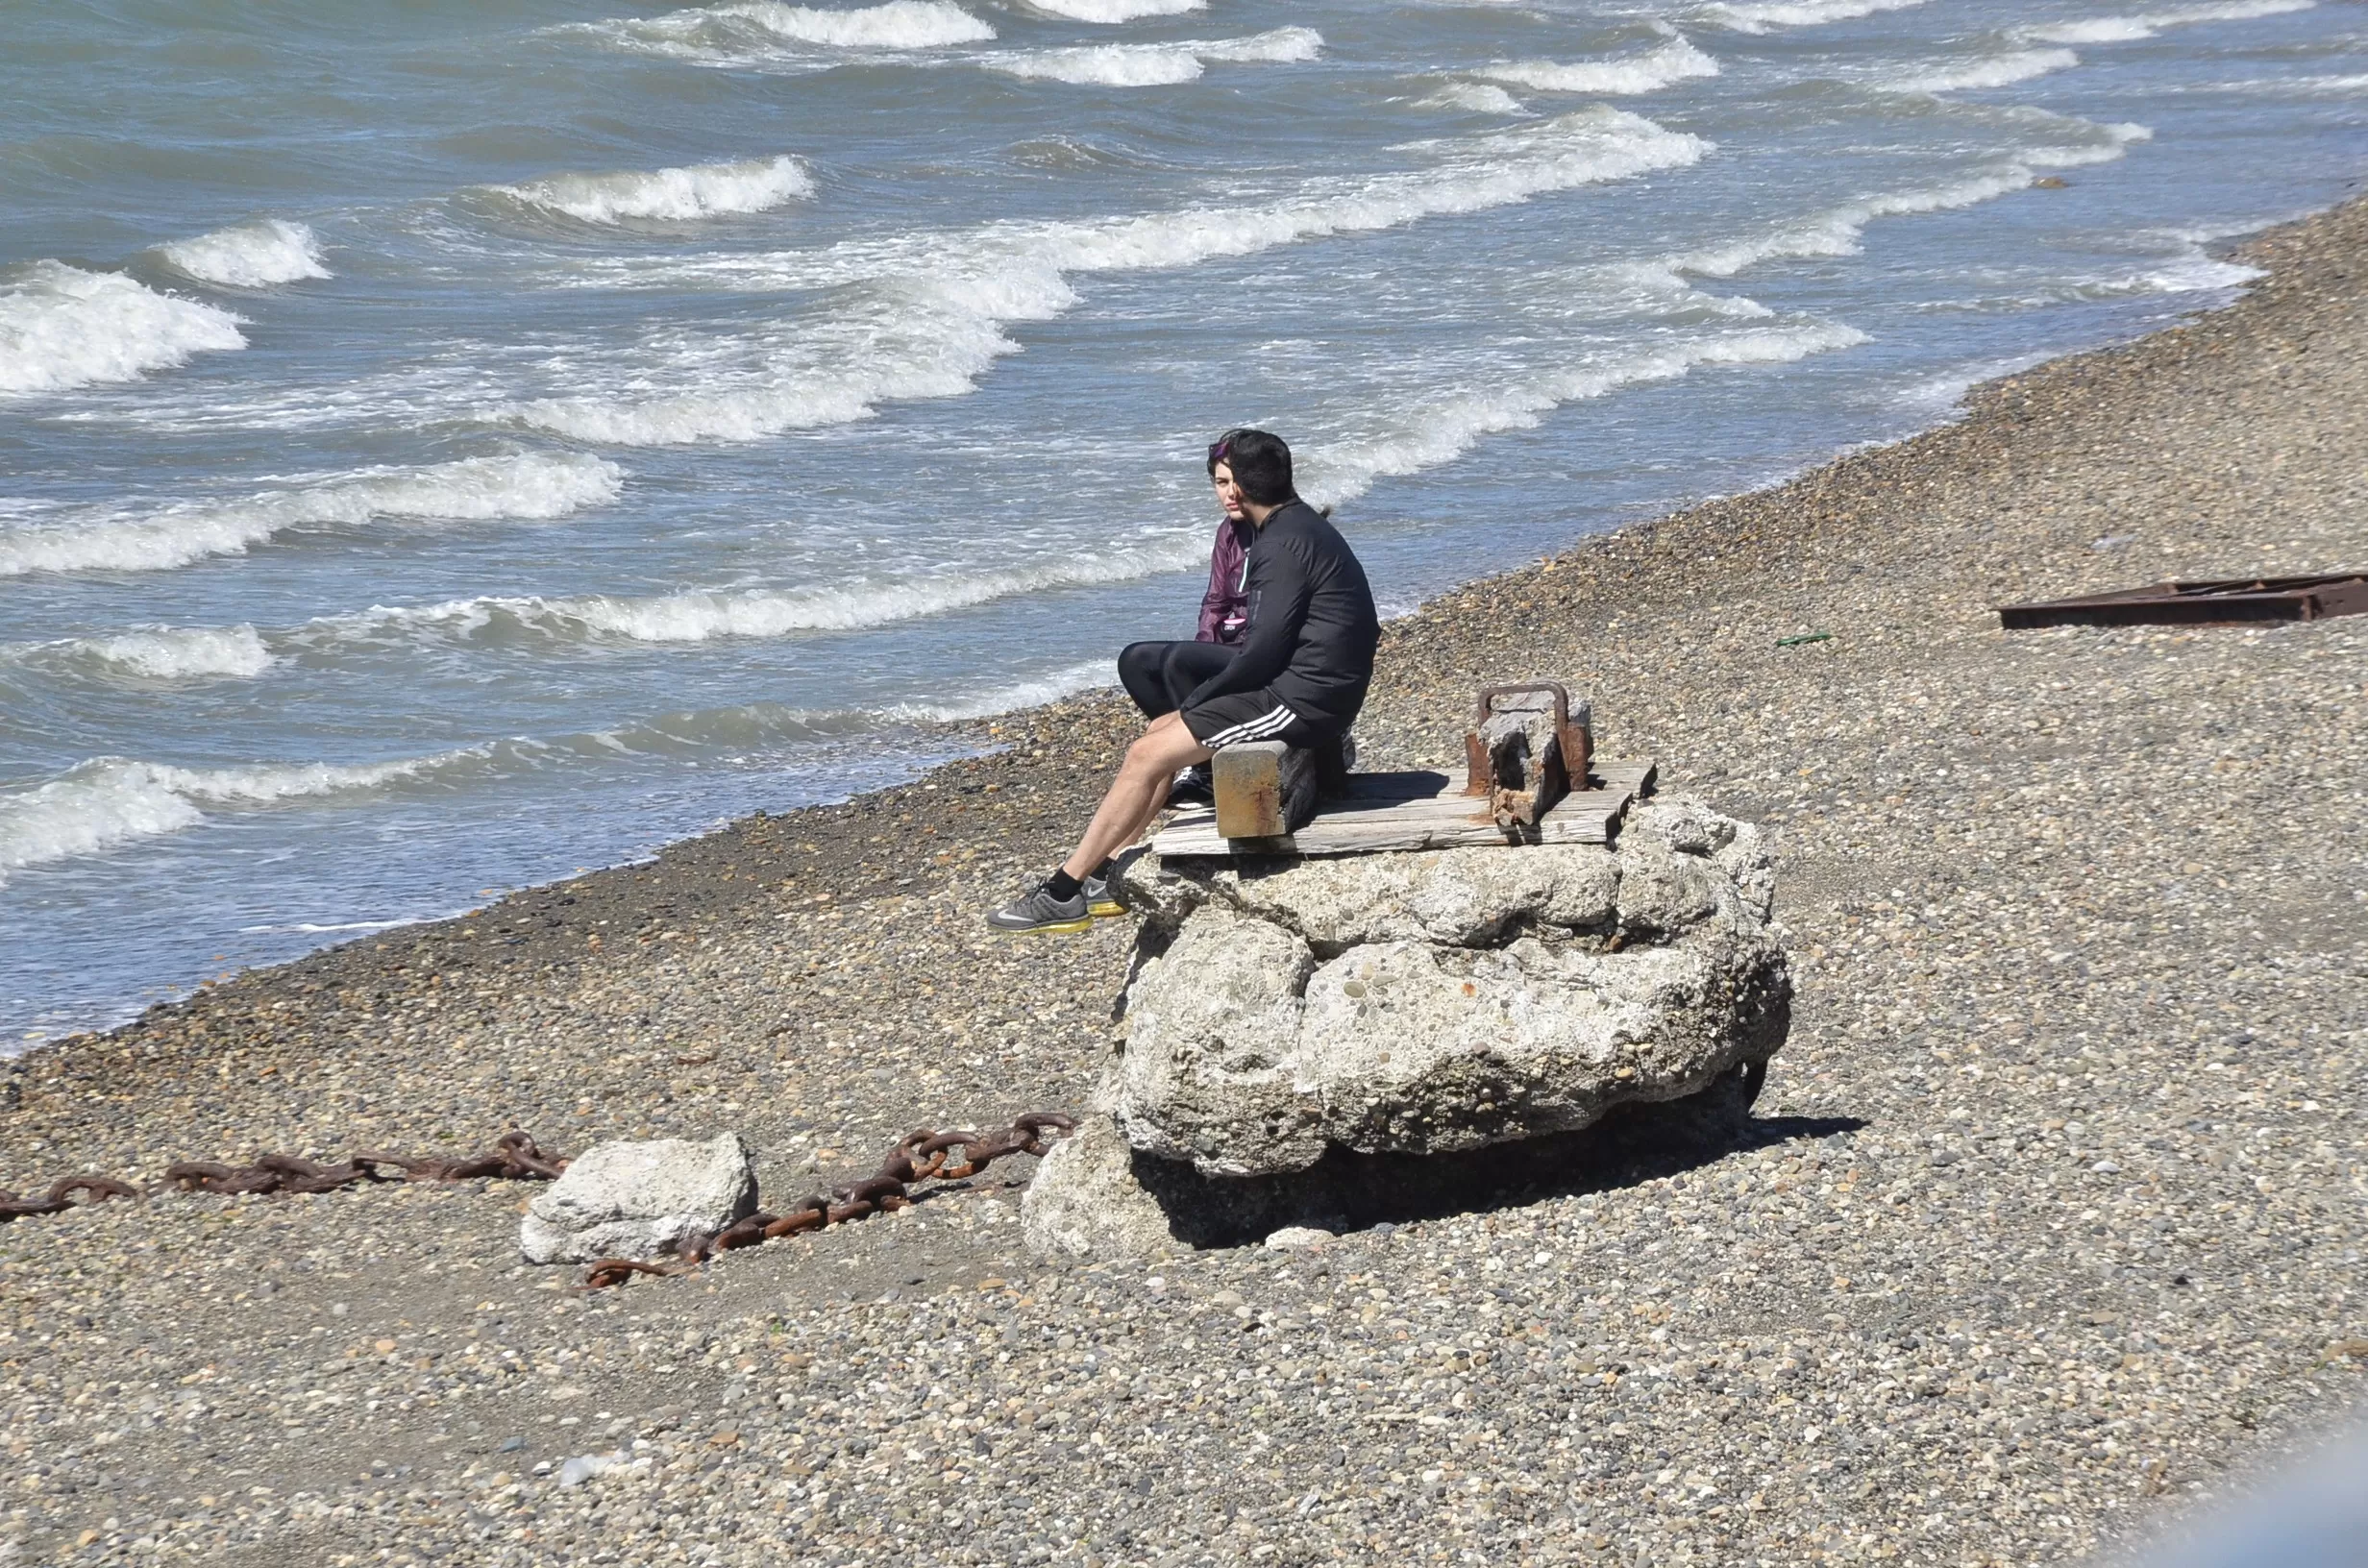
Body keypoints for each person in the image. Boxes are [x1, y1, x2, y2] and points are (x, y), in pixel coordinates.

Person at [989, 429, 1378, 934]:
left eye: (1227, 481)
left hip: (1304, 700)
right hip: (1311, 688)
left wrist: (1196, 703)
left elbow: (1262, 651)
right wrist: (1192, 710)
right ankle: (1104, 871)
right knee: (1156, 739)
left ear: (1240, 488)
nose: (1224, 491)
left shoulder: (1279, 545)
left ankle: (1063, 891)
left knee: (1147, 753)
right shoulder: (1298, 526)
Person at [1115, 429, 1258, 804]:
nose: (1230, 493)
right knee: (1136, 659)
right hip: (1229, 642)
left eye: (1238, 481)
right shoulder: (1228, 532)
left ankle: (1205, 771)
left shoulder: (1277, 532)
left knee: (1180, 660)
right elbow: (1215, 601)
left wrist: (1198, 659)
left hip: (1261, 648)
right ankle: (1191, 753)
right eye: (1221, 483)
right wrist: (1206, 647)